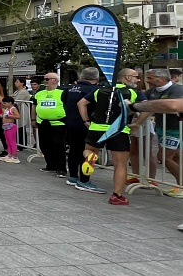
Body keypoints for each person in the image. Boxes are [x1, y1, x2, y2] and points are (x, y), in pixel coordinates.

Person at [77, 68, 141, 202]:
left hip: (96, 128)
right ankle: (117, 196)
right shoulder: (133, 92)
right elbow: (146, 107)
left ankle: (91, 157)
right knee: (120, 164)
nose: (138, 79)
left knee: (88, 150)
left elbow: (81, 103)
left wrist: (86, 121)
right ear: (128, 78)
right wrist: (138, 123)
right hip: (119, 129)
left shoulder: (99, 89)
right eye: (136, 76)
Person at [136, 68, 183, 198]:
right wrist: (137, 122)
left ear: (161, 79)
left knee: (164, 157)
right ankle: (178, 185)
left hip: (176, 128)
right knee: (175, 156)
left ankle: (181, 185)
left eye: (150, 78)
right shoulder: (151, 91)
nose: (147, 81)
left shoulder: (177, 90)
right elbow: (144, 106)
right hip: (162, 127)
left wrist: (157, 107)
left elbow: (174, 108)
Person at [63, 67, 100, 185]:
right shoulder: (95, 90)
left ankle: (73, 176)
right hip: (89, 124)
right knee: (88, 152)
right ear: (97, 78)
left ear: (81, 77)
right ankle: (85, 179)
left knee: (74, 150)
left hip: (71, 123)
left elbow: (64, 102)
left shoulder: (69, 89)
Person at [32, 72, 68, 177]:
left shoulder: (63, 92)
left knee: (58, 146)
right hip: (43, 122)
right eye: (44, 79)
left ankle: (61, 168)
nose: (45, 81)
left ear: (55, 80)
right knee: (44, 145)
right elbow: (34, 106)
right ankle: (50, 165)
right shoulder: (39, 93)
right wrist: (33, 119)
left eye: (47, 79)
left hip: (59, 123)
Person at [0, 96, 21, 163]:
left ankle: (14, 156)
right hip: (5, 126)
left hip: (11, 126)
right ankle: (9, 154)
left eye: (5, 103)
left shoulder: (13, 108)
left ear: (10, 103)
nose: (4, 105)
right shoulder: (7, 109)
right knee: (7, 141)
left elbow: (18, 116)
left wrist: (9, 116)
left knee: (12, 142)